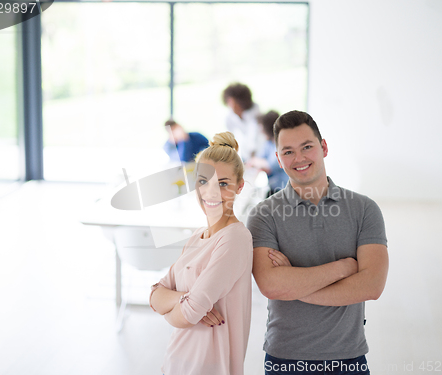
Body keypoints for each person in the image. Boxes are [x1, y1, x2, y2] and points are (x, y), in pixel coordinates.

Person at [247, 110, 389, 375]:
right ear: (278, 158)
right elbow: (271, 285)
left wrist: (295, 285)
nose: (299, 158)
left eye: (307, 147)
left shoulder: (364, 209)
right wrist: (344, 268)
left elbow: (372, 286)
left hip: (348, 358)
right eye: (288, 151)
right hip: (284, 359)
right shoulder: (263, 215)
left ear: (323, 147)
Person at [150, 131, 254, 375]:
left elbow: (184, 314)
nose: (211, 192)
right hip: (176, 362)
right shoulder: (198, 236)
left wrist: (180, 304)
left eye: (224, 184)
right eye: (203, 181)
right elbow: (156, 294)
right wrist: (186, 299)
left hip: (209, 368)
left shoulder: (235, 238)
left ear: (240, 186)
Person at [246, 110, 289, 196]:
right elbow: (260, 159)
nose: (260, 132)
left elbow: (268, 166)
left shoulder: (282, 144)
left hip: (284, 189)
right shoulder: (268, 143)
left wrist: (255, 162)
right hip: (273, 187)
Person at [222, 83, 265, 162]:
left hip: (260, 157)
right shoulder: (230, 117)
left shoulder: (256, 115)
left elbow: (253, 143)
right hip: (245, 157)